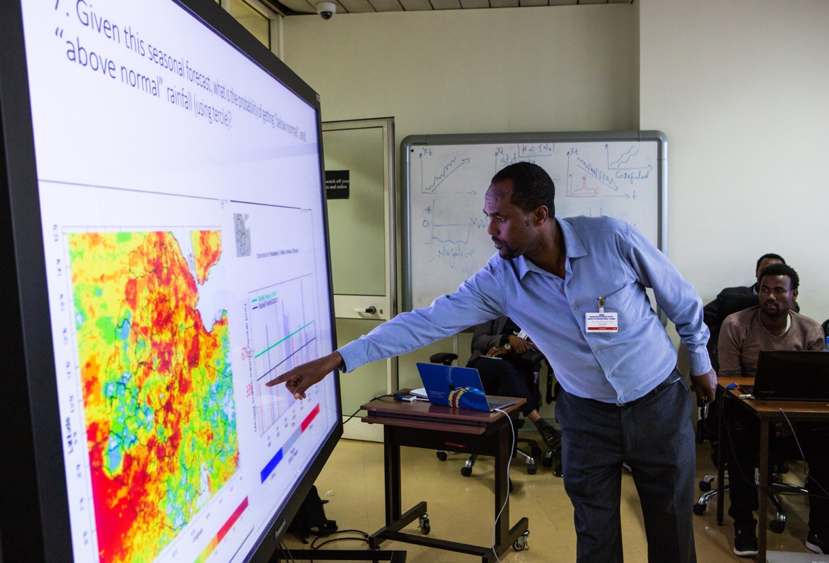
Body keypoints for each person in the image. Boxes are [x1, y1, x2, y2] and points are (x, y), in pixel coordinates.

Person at [268, 162, 716, 563]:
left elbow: (680, 299)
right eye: (488, 218)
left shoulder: (611, 239)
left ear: (540, 215)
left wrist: (700, 362)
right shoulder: (500, 280)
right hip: (586, 417)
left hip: (658, 402)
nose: (491, 230)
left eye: (500, 219)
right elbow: (426, 323)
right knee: (595, 536)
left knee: (671, 529)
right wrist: (339, 358)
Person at [719, 263, 829, 557]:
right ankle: (744, 525)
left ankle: (822, 530)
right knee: (737, 434)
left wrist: (792, 421)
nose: (770, 297)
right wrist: (768, 413)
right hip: (749, 411)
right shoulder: (735, 325)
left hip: (796, 415)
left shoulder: (810, 330)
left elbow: (817, 387)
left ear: (793, 293)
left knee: (825, 442)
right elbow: (729, 382)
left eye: (778, 290)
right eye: (764, 290)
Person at [467, 316, 561, 449]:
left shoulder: (535, 313)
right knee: (503, 367)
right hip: (487, 366)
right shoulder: (494, 310)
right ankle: (540, 423)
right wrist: (507, 338)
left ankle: (504, 455)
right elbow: (478, 340)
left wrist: (509, 348)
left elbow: (545, 344)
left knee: (506, 389)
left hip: (517, 369)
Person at [703, 253, 799, 371]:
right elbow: (702, 319)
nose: (771, 297)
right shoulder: (730, 295)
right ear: (757, 272)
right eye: (766, 270)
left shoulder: (792, 309)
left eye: (779, 290)